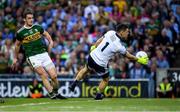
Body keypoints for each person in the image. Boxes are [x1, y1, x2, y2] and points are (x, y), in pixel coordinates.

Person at [69, 24, 149, 100]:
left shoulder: (110, 32)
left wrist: (94, 46)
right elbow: (129, 56)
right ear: (121, 32)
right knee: (106, 79)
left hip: (92, 56)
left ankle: (73, 84)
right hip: (100, 63)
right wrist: (139, 59)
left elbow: (100, 40)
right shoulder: (119, 46)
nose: (128, 34)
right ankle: (98, 95)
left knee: (86, 69)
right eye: (127, 32)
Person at [11, 8, 66, 99]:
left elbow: (46, 34)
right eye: (29, 18)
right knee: (43, 74)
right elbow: (17, 46)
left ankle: (56, 92)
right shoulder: (20, 33)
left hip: (43, 54)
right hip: (32, 57)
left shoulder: (38, 27)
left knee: (54, 76)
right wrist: (15, 58)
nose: (31, 20)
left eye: (32, 18)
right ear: (24, 19)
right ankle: (51, 94)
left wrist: (51, 41)